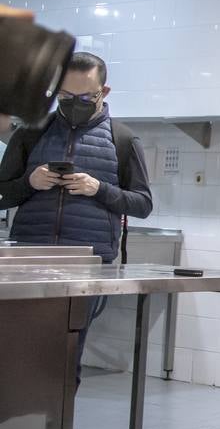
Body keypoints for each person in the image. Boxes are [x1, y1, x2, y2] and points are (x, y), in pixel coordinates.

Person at [0, 52, 153, 380]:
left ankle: (56, 427)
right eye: (65, 97)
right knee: (16, 355)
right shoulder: (30, 135)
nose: (74, 104)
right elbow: (2, 194)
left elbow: (142, 204)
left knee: (65, 360)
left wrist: (99, 188)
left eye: (86, 97)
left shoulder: (122, 140)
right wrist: (30, 182)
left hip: (86, 264)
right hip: (28, 261)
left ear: (104, 92)